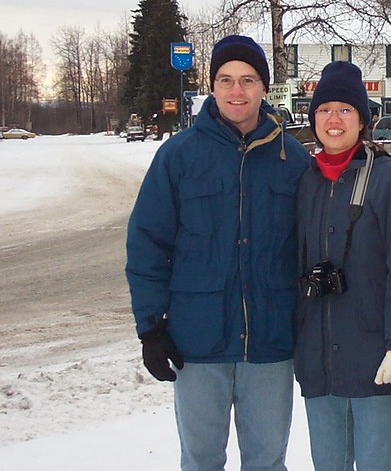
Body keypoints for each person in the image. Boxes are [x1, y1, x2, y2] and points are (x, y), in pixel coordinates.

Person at [125, 35, 311, 471]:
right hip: (197, 342)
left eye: (247, 80)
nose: (236, 91)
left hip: (270, 343)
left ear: (264, 88)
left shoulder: (293, 159)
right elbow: (147, 243)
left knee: (267, 461)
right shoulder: (179, 156)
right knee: (201, 460)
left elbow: (315, 244)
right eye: (225, 80)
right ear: (211, 86)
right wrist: (151, 328)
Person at [294, 61, 391, 471]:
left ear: (362, 120)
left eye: (345, 110)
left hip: (376, 361)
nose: (333, 120)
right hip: (319, 362)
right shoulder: (304, 181)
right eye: (324, 109)